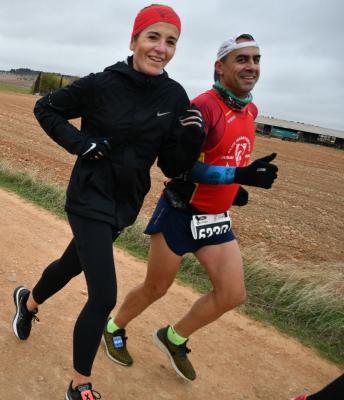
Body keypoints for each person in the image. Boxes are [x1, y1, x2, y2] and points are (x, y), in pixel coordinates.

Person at [11, 5, 205, 399]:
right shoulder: (102, 84)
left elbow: (170, 163)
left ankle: (28, 302)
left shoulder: (174, 95)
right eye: (153, 37)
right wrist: (82, 145)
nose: (161, 49)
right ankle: (79, 384)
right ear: (134, 40)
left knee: (71, 264)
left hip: (125, 205)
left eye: (171, 42)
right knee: (103, 295)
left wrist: (190, 140)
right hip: (88, 197)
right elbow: (45, 107)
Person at [102, 34, 279, 382]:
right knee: (156, 288)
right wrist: (238, 175)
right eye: (242, 59)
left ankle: (174, 337)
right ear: (220, 67)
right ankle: (113, 327)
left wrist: (235, 188)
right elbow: (182, 168)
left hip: (216, 220)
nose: (252, 67)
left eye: (256, 59)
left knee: (232, 294)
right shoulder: (202, 107)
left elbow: (228, 156)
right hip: (181, 212)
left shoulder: (250, 110)